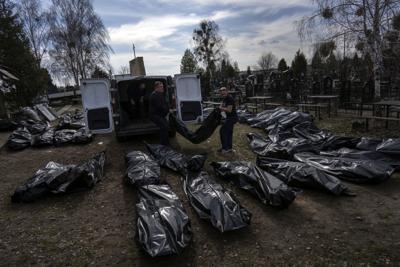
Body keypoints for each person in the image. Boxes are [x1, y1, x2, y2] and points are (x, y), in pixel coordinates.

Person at [149, 81, 170, 146]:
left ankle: (165, 144)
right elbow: (160, 106)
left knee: (165, 127)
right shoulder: (154, 95)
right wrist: (168, 110)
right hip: (155, 115)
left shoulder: (159, 94)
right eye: (161, 87)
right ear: (156, 88)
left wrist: (168, 109)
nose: (162, 88)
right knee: (164, 127)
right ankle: (163, 145)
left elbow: (164, 104)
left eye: (162, 87)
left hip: (159, 115)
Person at [218, 87, 238, 153]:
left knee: (222, 131)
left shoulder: (230, 99)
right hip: (229, 117)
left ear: (227, 91)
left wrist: (221, 108)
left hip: (232, 118)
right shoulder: (225, 99)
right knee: (229, 132)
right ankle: (229, 148)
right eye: (221, 91)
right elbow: (222, 105)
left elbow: (229, 110)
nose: (222, 92)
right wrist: (221, 107)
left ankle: (225, 148)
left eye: (224, 91)